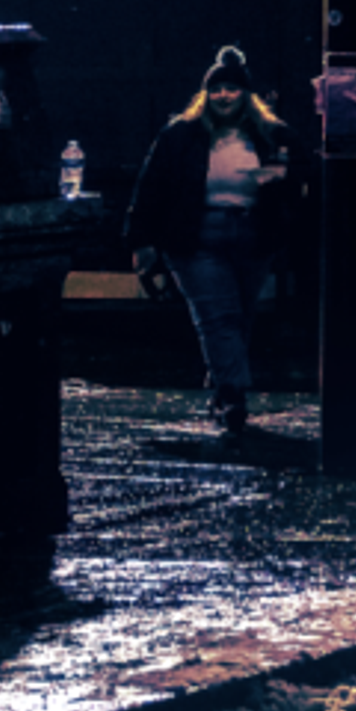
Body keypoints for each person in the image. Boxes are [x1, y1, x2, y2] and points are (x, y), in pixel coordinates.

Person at [124, 46, 302, 436]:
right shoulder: (181, 135)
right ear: (205, 95)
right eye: (216, 89)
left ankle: (223, 387)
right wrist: (142, 243)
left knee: (239, 317)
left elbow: (298, 175)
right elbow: (150, 188)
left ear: (246, 95)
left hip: (253, 235)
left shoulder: (271, 135)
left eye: (231, 89)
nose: (223, 96)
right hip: (197, 235)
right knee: (218, 318)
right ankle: (235, 396)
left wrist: (277, 182)